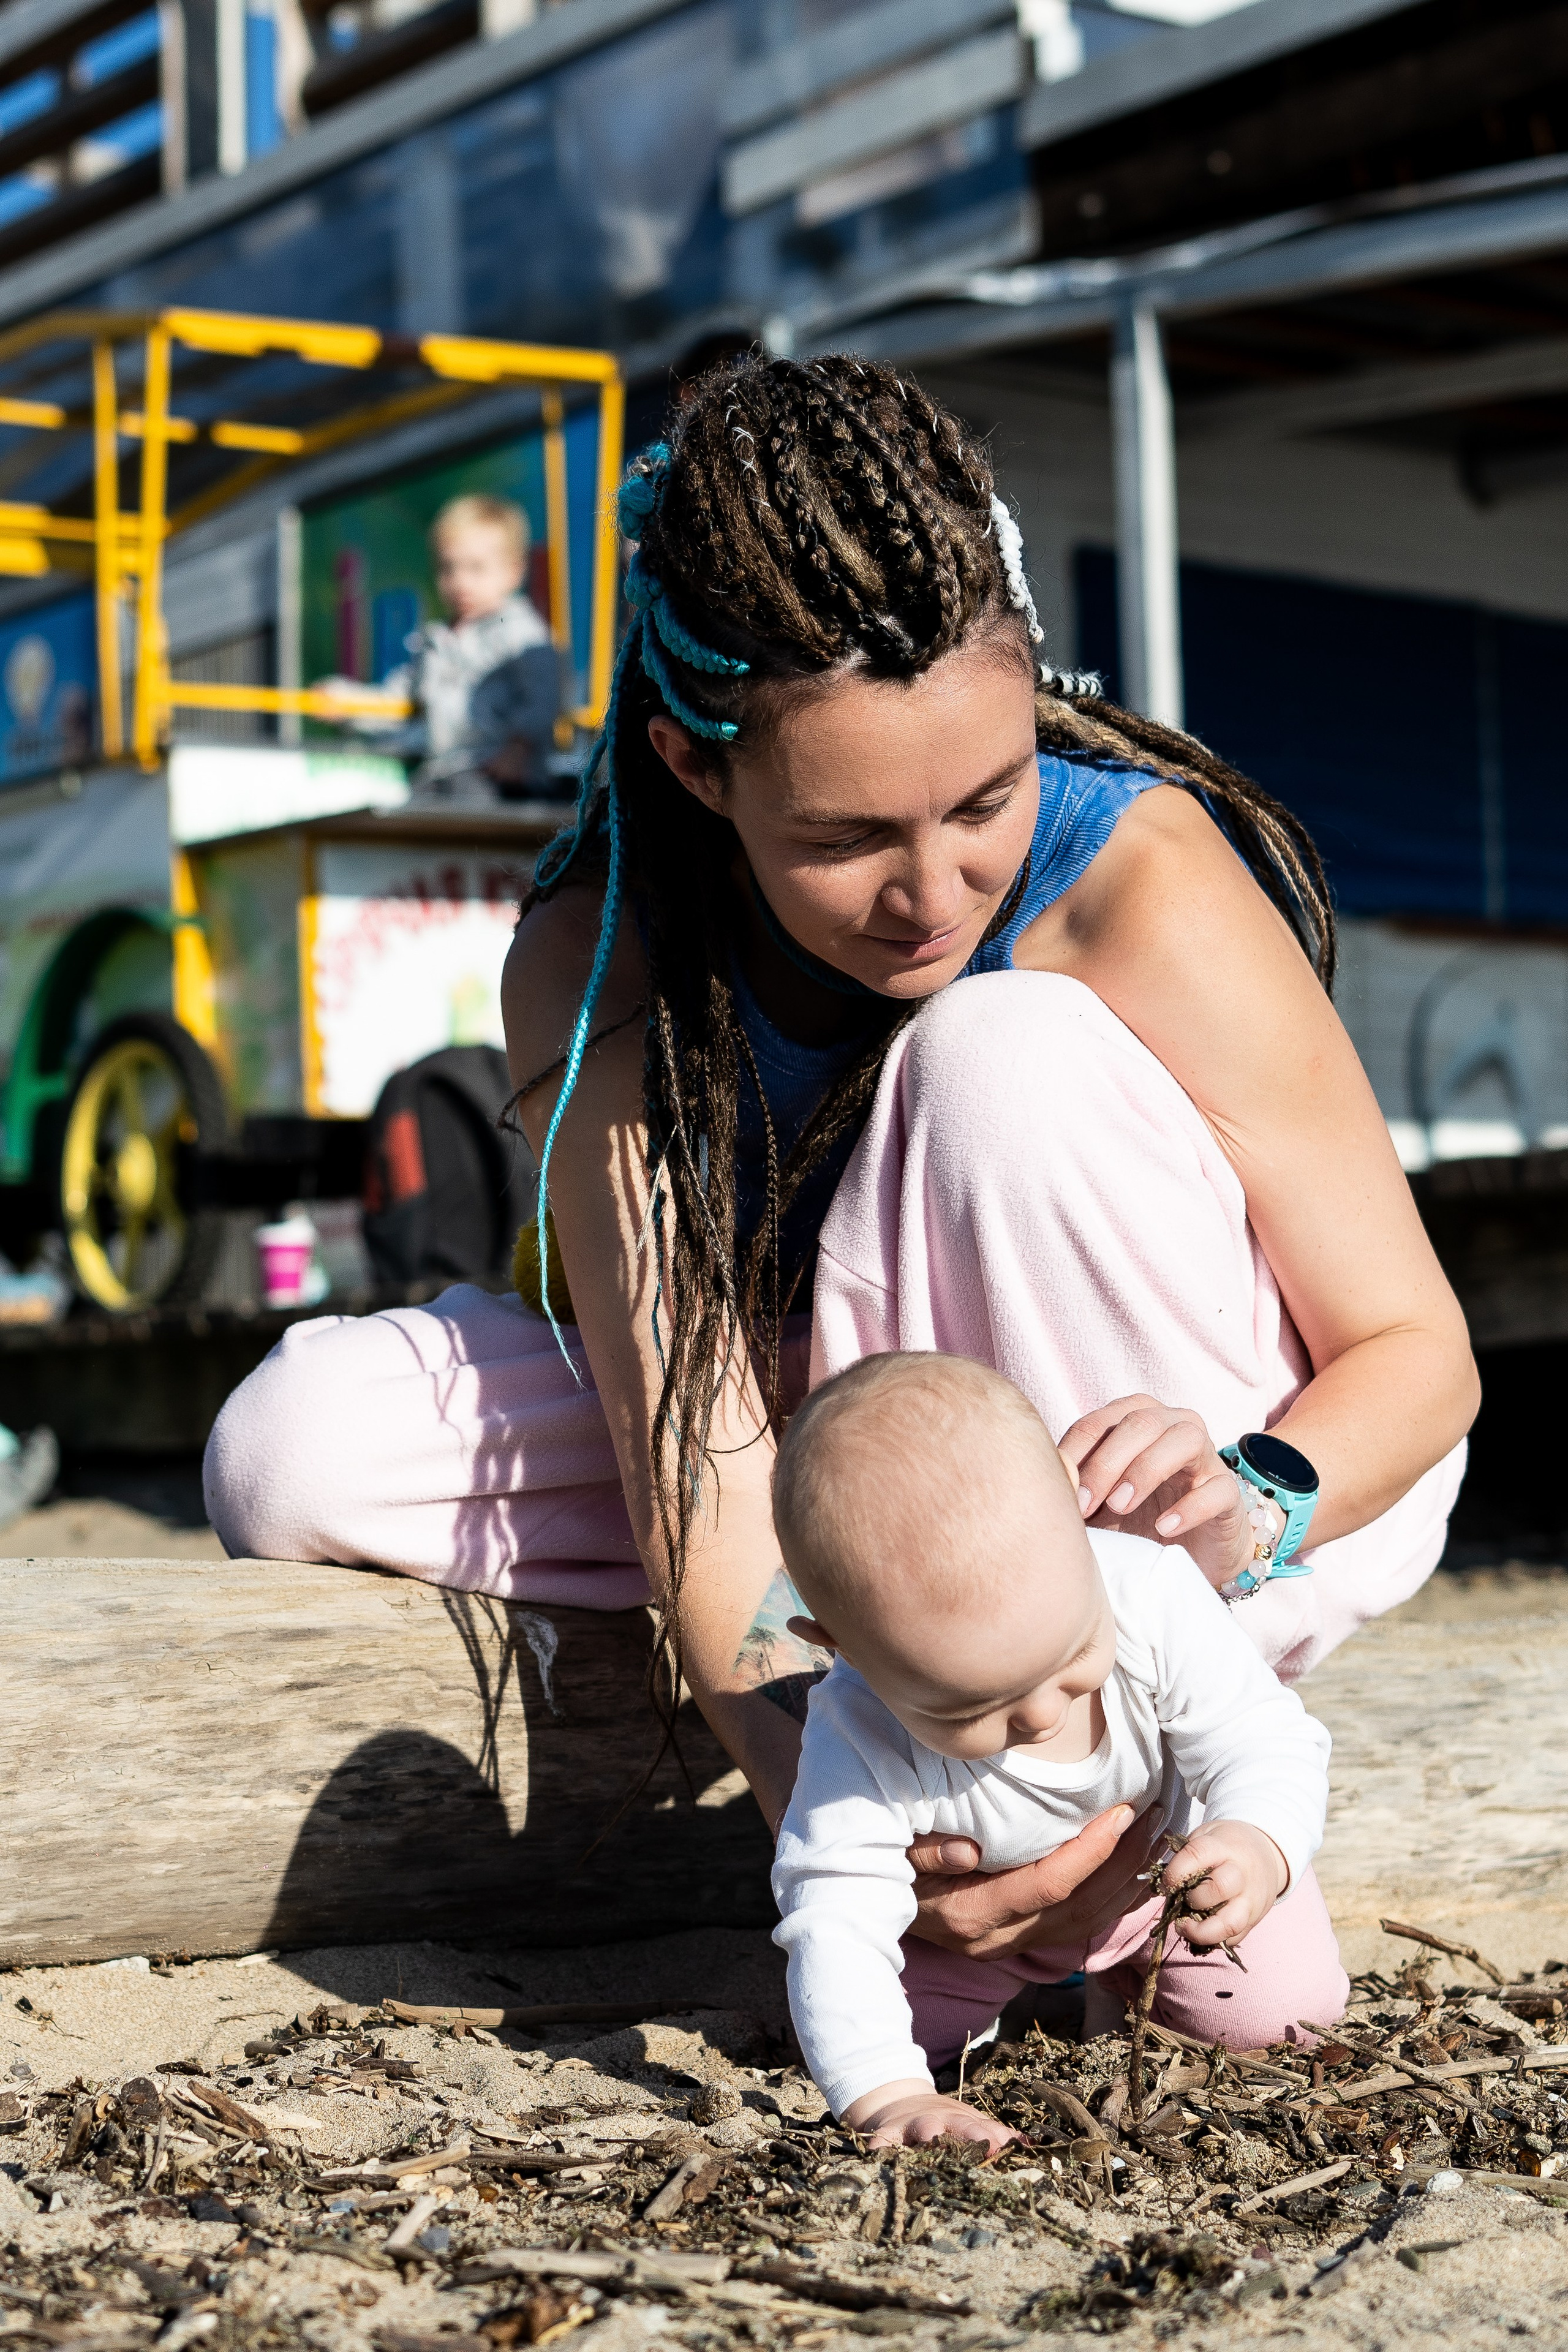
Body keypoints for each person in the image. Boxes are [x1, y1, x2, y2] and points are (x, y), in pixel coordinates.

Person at [206, 353, 1477, 1973]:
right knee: (294, 1453)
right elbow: (692, 1447)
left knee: (990, 1055)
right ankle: (936, 1721)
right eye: (842, 839)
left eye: (985, 799)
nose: (932, 895)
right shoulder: (600, 957)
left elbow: (1416, 1355)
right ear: (695, 768)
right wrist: (807, 1788)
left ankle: (1118, 1750)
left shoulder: (1136, 875)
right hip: (833, 1427)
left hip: (1200, 1455)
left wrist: (1259, 1498)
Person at [769, 1353, 1343, 2149]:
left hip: (1169, 1883)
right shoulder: (856, 1727)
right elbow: (837, 1913)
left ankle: (1125, 1987)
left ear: (1080, 1528)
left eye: (1073, 1654)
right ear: (842, 1647)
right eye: (973, 1707)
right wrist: (889, 2096)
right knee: (848, 2043)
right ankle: (1019, 2012)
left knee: (1283, 2022)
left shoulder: (1147, 1589)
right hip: (975, 1928)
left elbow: (1265, 1736)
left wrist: (1257, 1842)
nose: (1042, 1714)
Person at [329, 492, 562, 799]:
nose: (460, 582)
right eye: (448, 568)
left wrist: (519, 748)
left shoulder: (520, 633)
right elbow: (398, 700)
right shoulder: (436, 642)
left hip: (498, 775)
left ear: (514, 572)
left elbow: (544, 697)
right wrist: (348, 703)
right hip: (443, 770)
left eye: (476, 568)